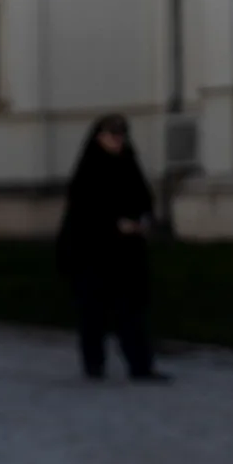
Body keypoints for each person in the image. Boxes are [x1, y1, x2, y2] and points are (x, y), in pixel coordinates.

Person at [55, 114, 170, 383]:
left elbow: (144, 198)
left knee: (132, 311)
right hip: (94, 254)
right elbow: (83, 212)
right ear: (99, 137)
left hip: (128, 254)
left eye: (120, 135)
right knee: (93, 312)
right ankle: (94, 364)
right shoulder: (89, 169)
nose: (117, 140)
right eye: (111, 135)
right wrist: (115, 225)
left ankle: (140, 365)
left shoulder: (129, 163)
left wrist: (143, 221)